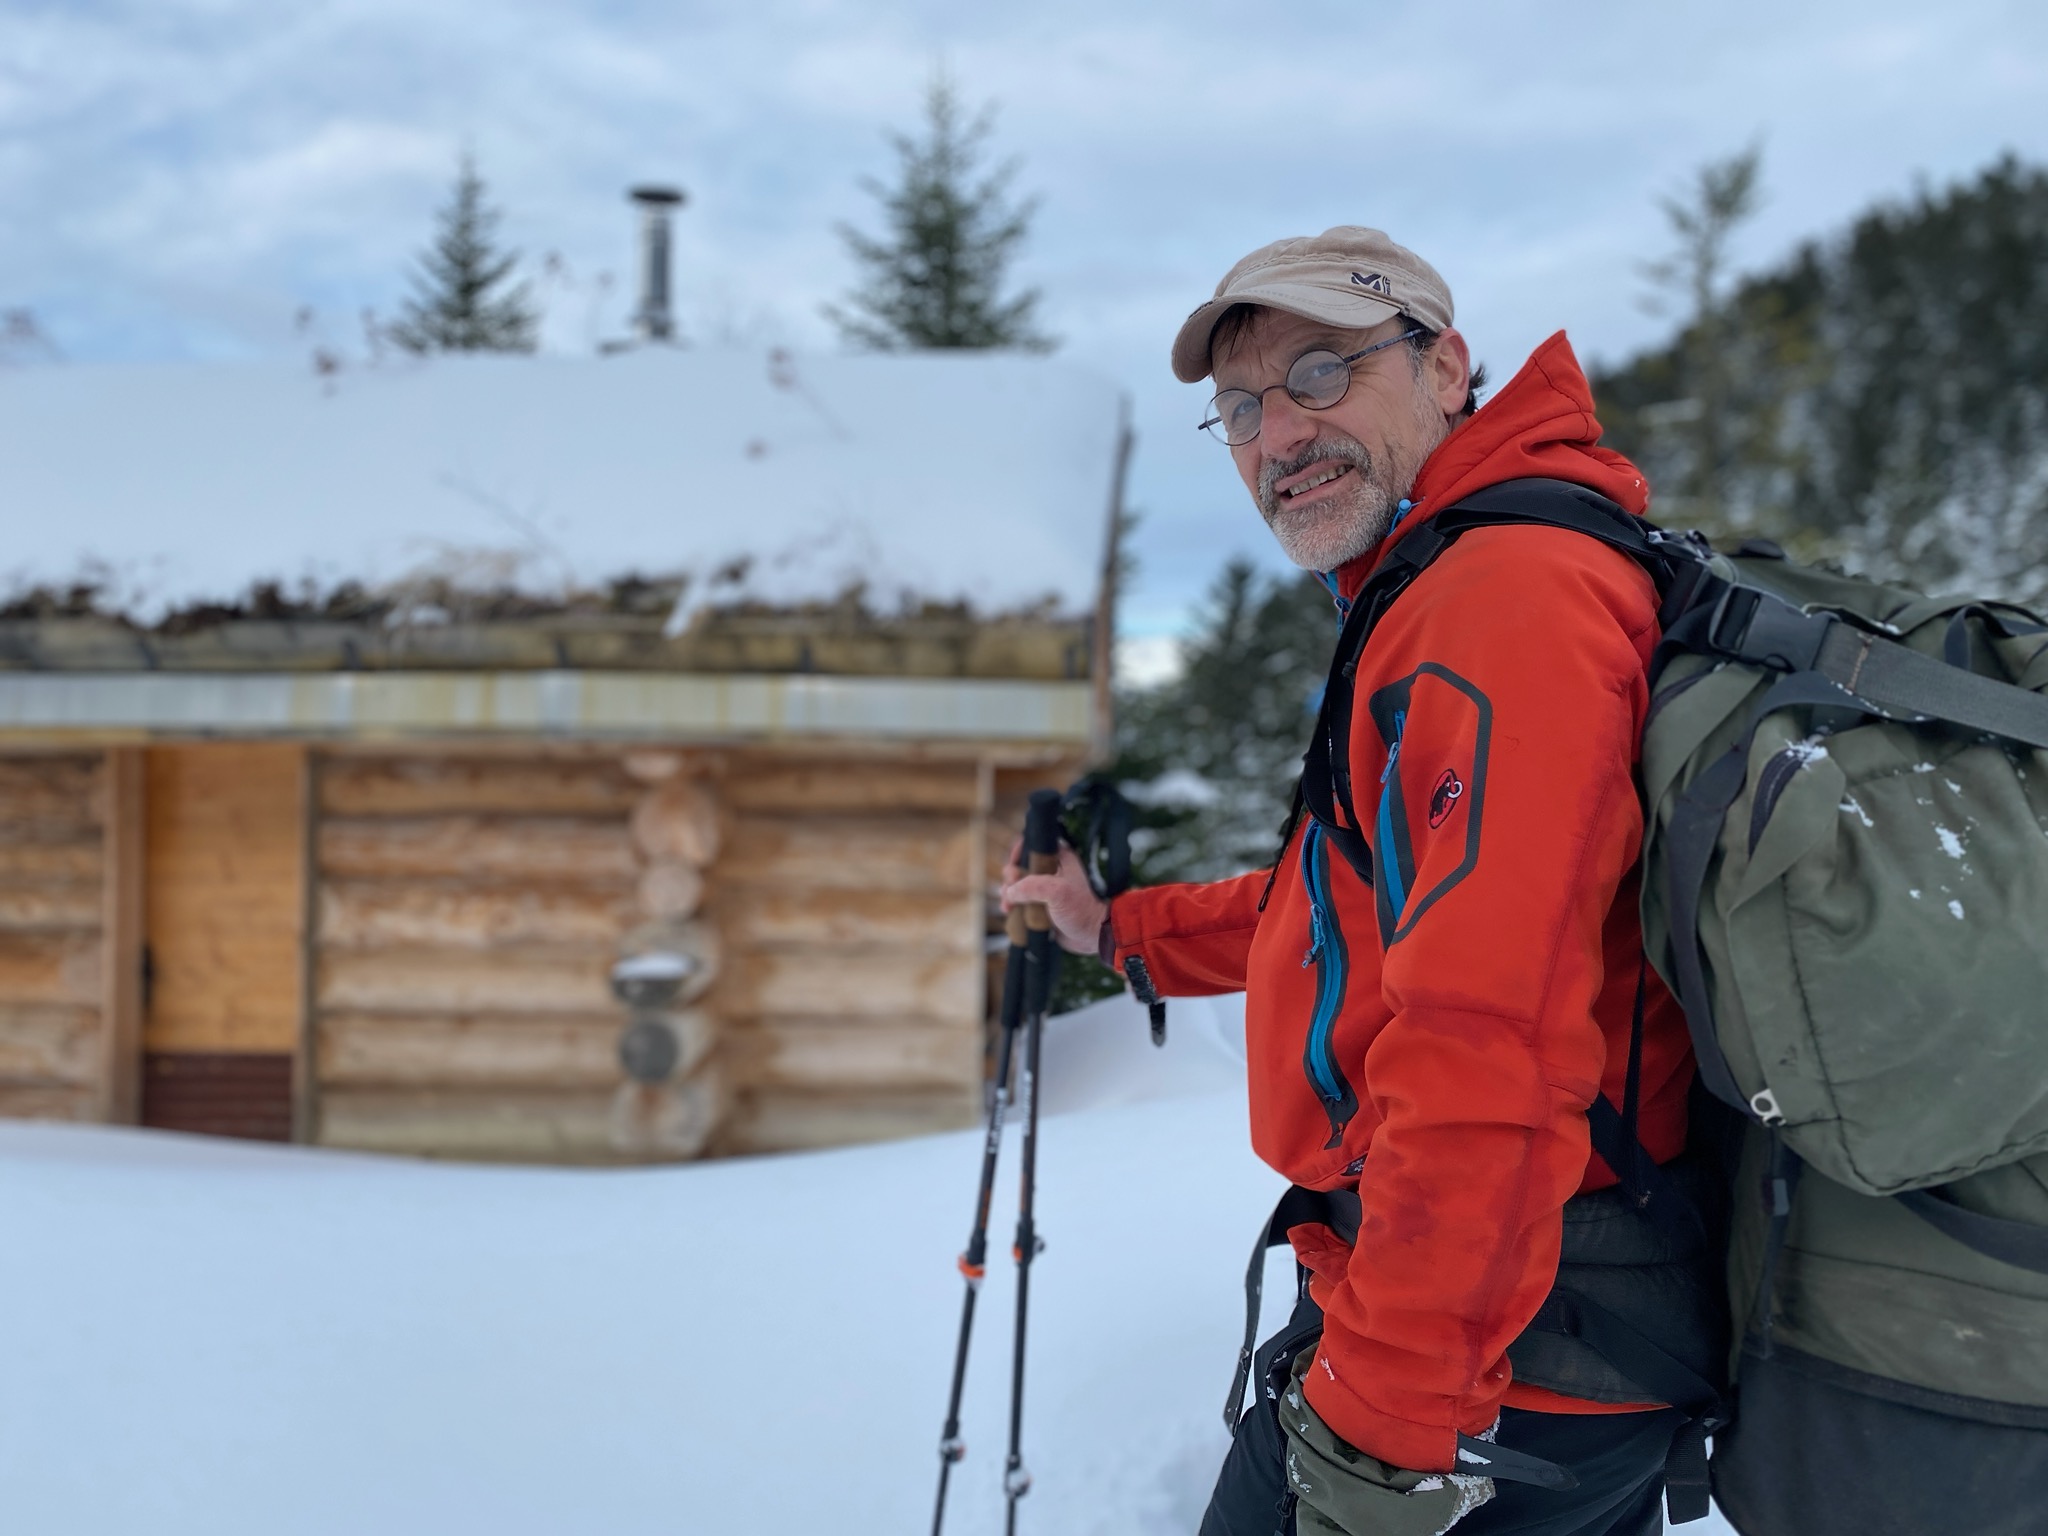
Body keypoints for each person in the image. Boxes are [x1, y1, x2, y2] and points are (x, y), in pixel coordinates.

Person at [1004, 228, 1721, 1535]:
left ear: (1446, 368)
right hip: (1495, 1321)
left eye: (1323, 374)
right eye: (1240, 408)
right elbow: (1349, 912)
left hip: (1502, 1358)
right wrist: (1115, 925)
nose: (1278, 433)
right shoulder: (1445, 583)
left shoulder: (1505, 600)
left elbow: (1488, 1041)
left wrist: (1384, 1434)